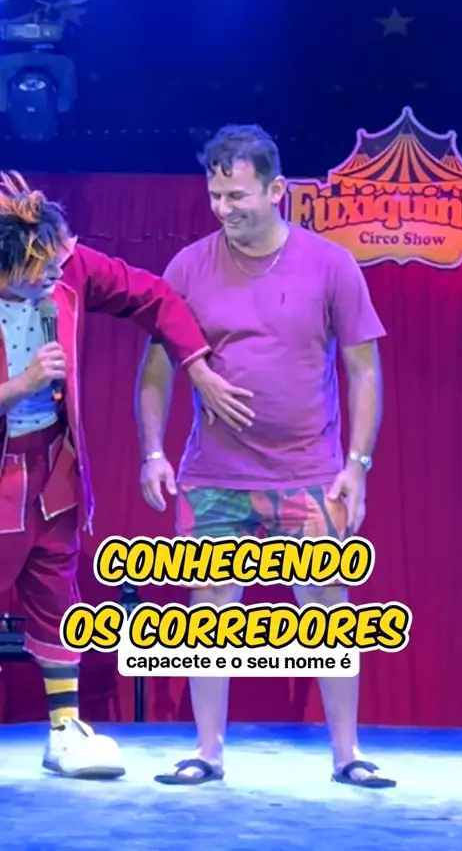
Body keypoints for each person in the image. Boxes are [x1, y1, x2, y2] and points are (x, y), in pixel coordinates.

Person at [136, 125, 396, 789]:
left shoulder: (330, 264)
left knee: (328, 610)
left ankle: (347, 753)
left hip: (309, 473)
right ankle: (208, 751)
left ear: (277, 189)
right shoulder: (188, 267)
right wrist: (151, 452)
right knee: (207, 612)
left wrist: (358, 464)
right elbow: (156, 370)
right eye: (215, 195)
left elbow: (364, 369)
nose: (223, 208)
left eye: (237, 195)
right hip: (214, 475)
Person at [0, 170, 253, 780]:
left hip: (53, 466)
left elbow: (153, 297)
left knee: (56, 592)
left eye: (57, 257)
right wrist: (22, 385)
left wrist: (197, 367)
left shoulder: (70, 269)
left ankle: (65, 729)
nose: (56, 270)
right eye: (40, 265)